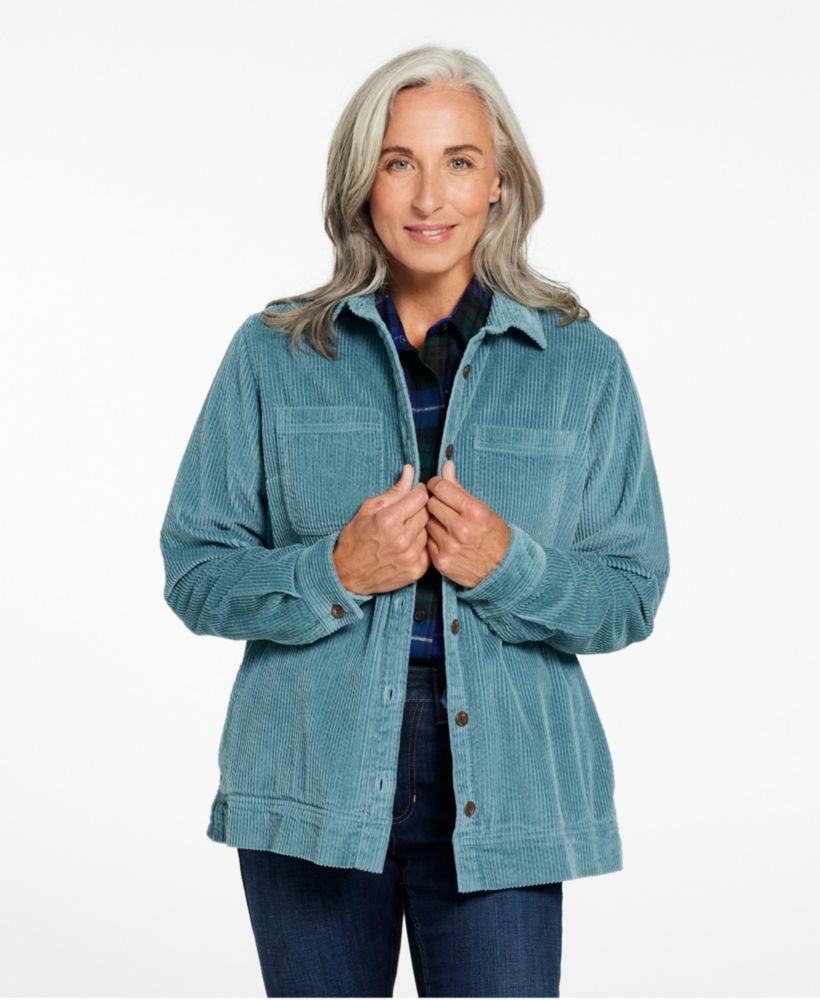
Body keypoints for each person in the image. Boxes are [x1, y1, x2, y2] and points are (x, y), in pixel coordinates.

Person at [160, 44, 669, 998]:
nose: (429, 196)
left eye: (459, 161)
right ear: (363, 180)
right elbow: (195, 572)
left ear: (500, 181)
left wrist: (509, 564)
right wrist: (333, 571)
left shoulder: (582, 364)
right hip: (312, 775)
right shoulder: (274, 353)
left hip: (509, 784)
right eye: (399, 162)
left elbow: (630, 594)